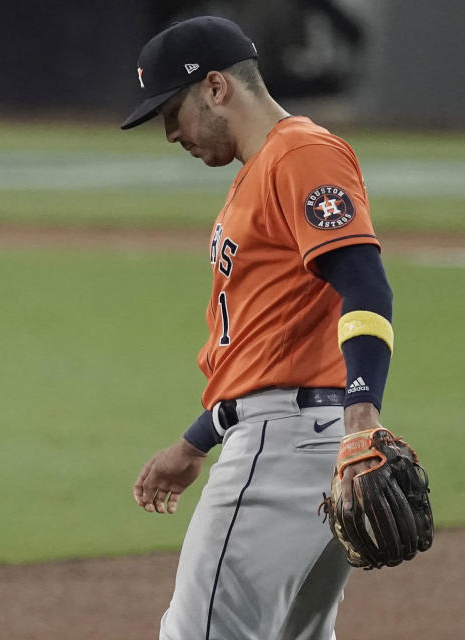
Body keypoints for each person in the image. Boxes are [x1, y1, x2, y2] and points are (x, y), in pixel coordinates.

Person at [122, 16, 396, 639]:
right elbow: (267, 350)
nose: (168, 133)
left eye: (172, 110)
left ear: (216, 88)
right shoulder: (264, 169)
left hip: (287, 449)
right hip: (300, 441)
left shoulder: (298, 154)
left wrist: (362, 413)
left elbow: (365, 281)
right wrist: (195, 442)